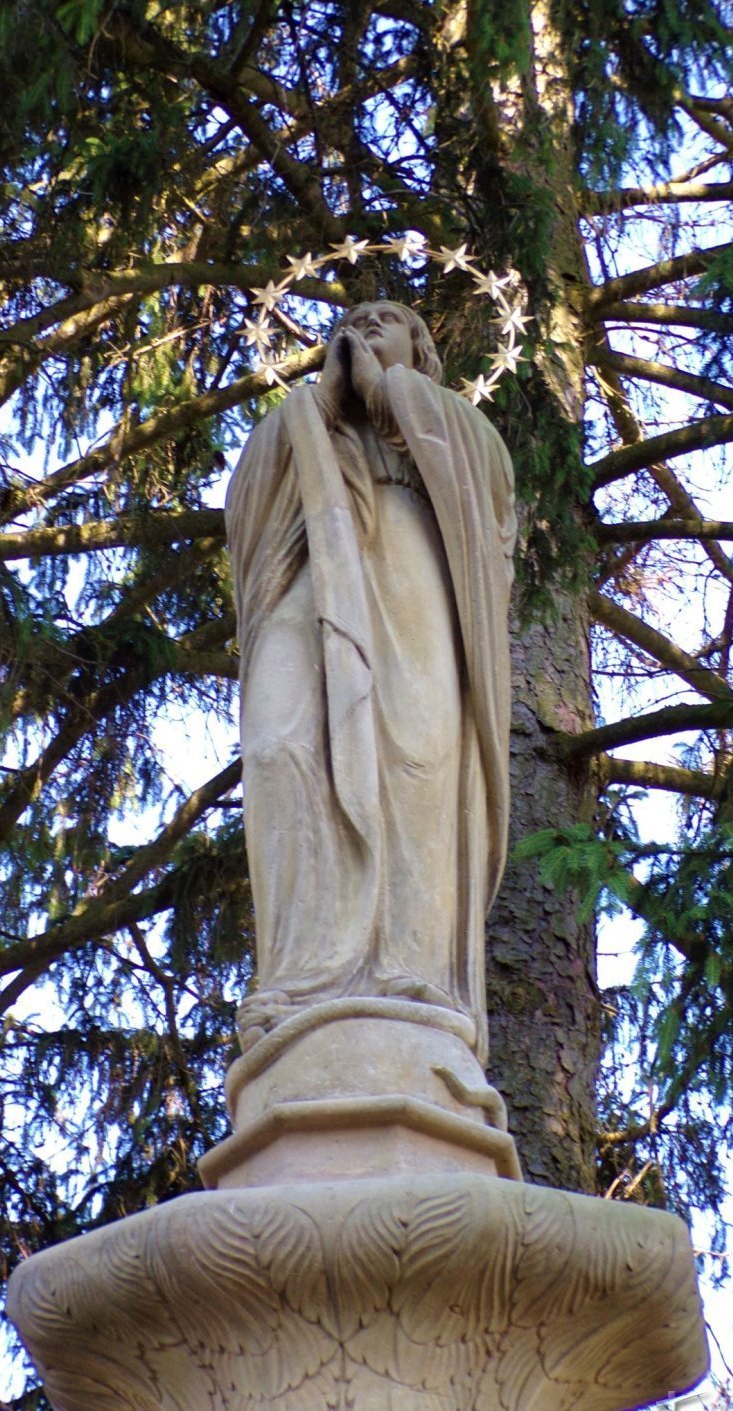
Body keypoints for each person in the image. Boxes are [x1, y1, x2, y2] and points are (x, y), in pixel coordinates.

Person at [225, 302, 516, 1059]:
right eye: (351, 318)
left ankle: (409, 970)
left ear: (420, 347)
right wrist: (317, 403)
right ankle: (296, 976)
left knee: (417, 756)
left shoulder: (451, 416)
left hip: (410, 557)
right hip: (312, 568)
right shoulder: (301, 422)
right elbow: (248, 512)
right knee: (277, 747)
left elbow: (483, 495)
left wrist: (390, 393)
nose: (362, 325)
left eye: (386, 318)